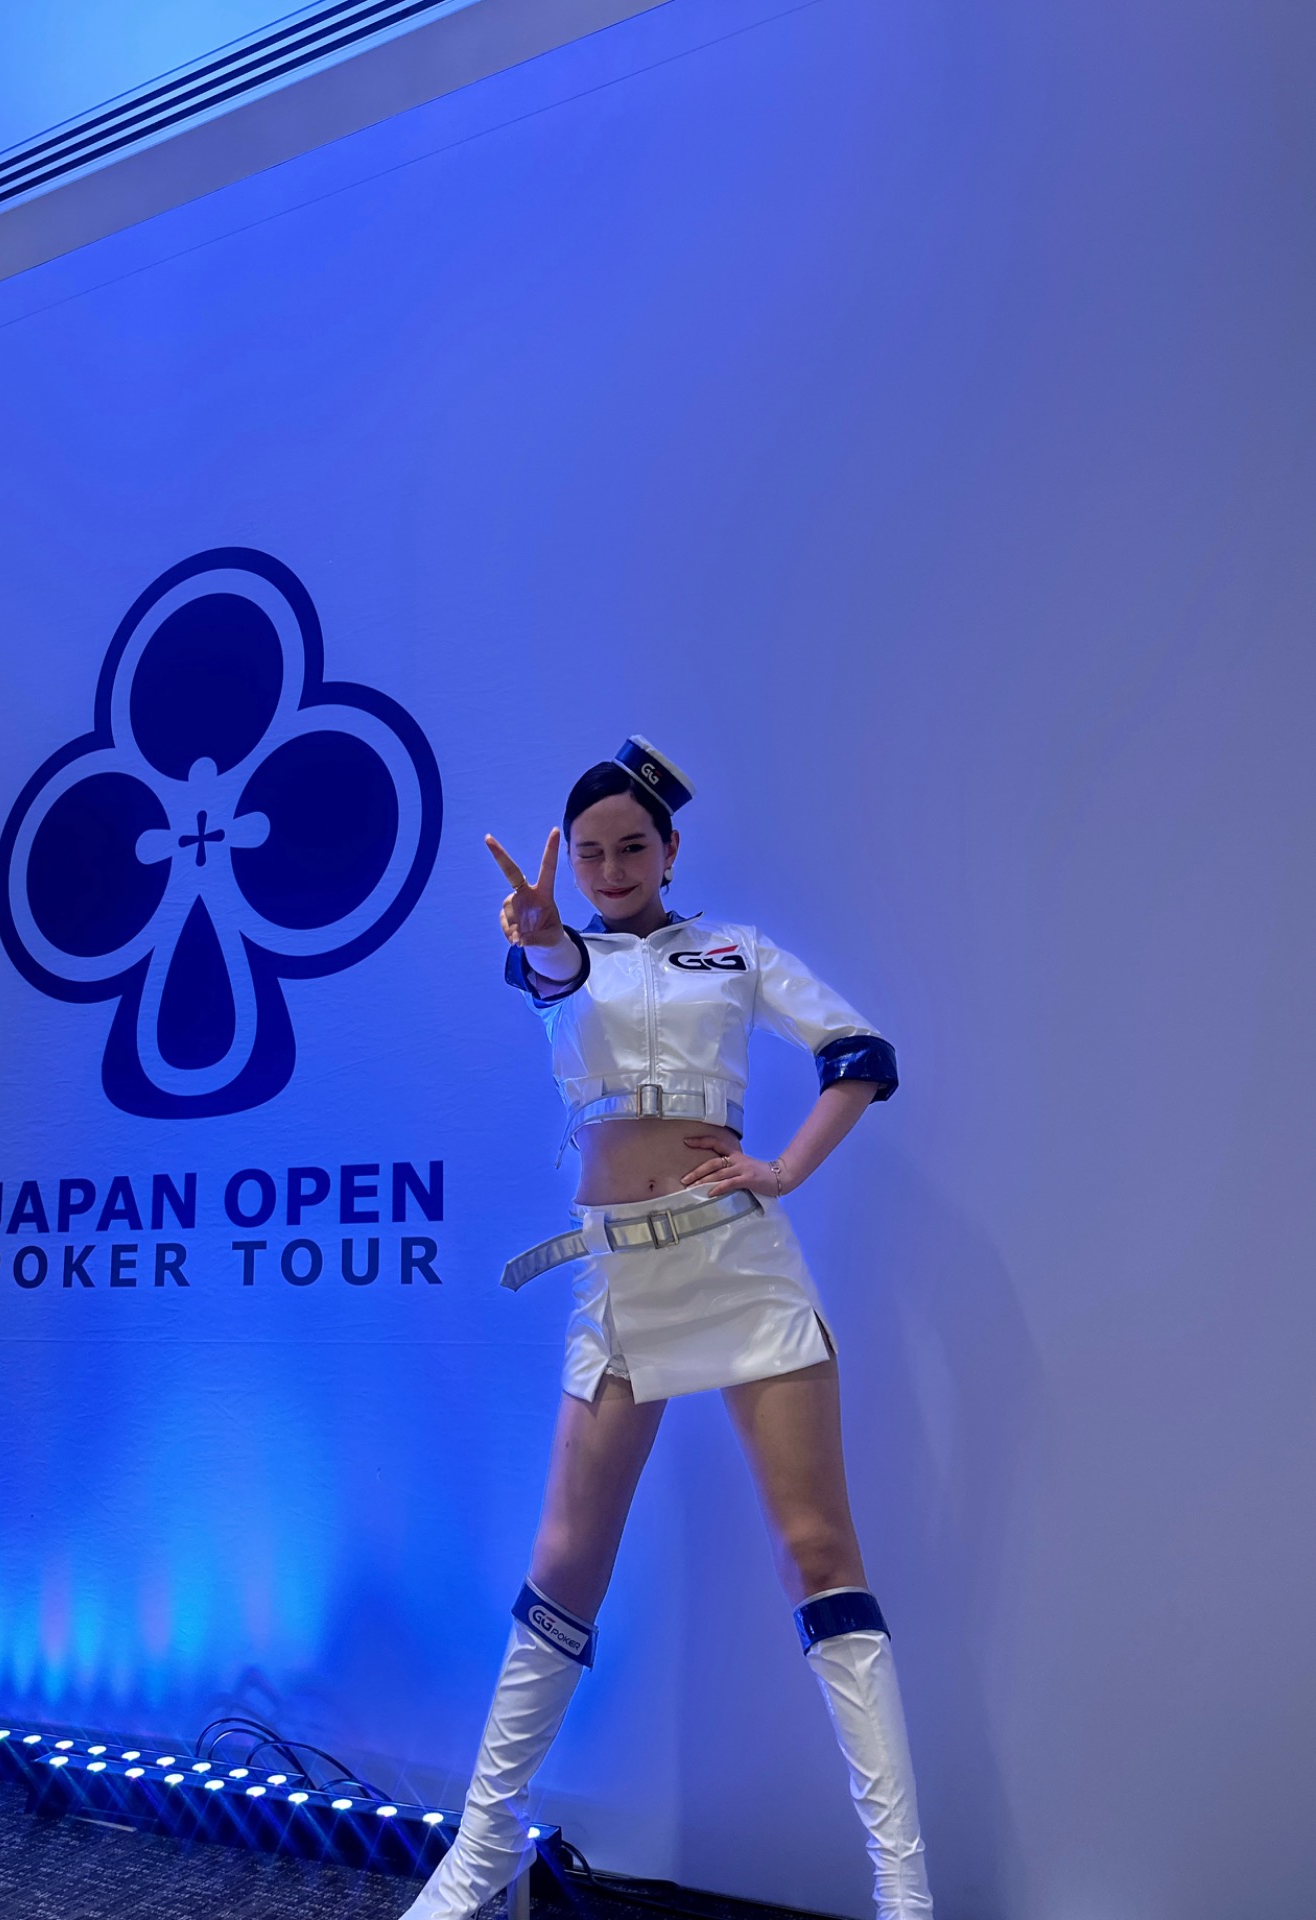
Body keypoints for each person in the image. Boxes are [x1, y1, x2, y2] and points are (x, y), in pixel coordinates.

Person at [401, 738, 933, 1920]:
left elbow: (857, 1055)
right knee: (564, 1563)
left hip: (739, 1266)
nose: (609, 868)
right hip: (619, 1285)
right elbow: (549, 971)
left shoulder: (733, 950)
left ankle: (904, 1893)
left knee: (819, 1552)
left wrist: (782, 1167)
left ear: (670, 849)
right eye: (590, 852)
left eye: (630, 846)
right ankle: (479, 1858)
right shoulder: (561, 953)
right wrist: (541, 932)